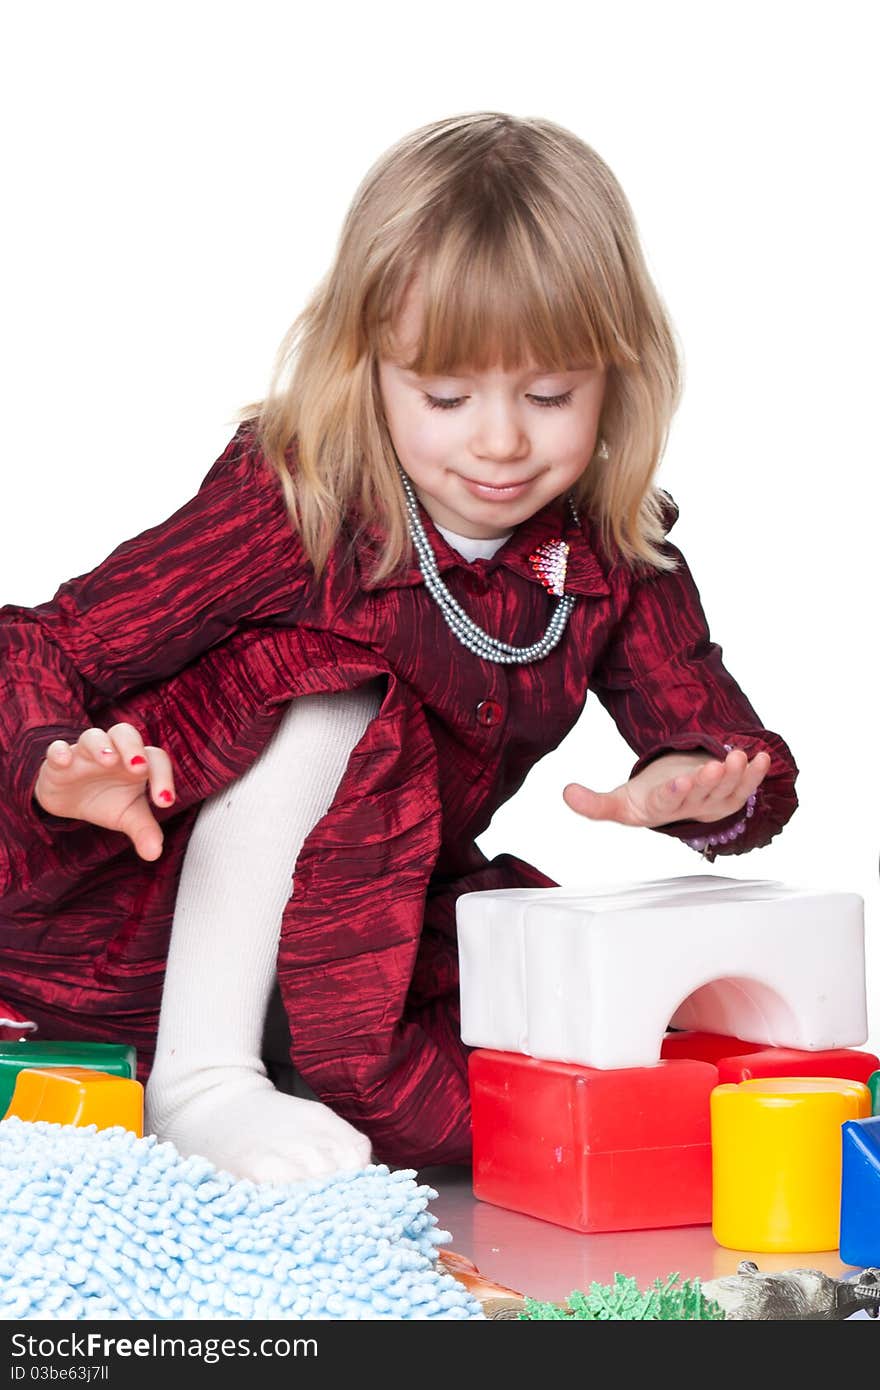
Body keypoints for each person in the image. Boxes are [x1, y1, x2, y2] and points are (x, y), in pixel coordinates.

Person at [0, 112, 798, 1183]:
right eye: (447, 395)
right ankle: (202, 1076)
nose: (502, 440)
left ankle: (291, 1068)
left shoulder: (613, 555)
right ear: (367, 366)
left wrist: (688, 783)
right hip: (132, 903)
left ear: (618, 374)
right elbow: (48, 641)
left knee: (540, 1045)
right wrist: (56, 762)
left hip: (361, 916)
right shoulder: (298, 503)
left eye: (551, 394)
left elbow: (716, 736)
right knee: (334, 689)